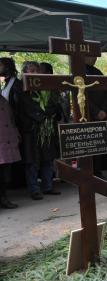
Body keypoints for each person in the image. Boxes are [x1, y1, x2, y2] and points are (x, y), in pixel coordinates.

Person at [20, 61, 61, 200]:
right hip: (31, 130)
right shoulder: (22, 88)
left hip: (47, 128)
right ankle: (34, 189)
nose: (34, 73)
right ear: (25, 72)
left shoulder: (47, 87)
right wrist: (42, 115)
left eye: (36, 70)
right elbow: (26, 108)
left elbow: (54, 105)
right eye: (31, 70)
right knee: (32, 161)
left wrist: (47, 114)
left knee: (48, 158)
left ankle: (48, 186)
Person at [85, 56, 107, 182]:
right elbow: (81, 96)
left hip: (101, 114)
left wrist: (104, 110)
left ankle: (98, 172)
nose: (94, 59)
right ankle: (88, 173)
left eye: (95, 57)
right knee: (89, 146)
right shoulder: (78, 71)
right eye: (91, 57)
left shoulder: (97, 73)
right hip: (87, 115)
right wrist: (96, 111)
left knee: (99, 145)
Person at [0, 57, 21, 209]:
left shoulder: (5, 96)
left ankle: (4, 199)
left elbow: (11, 118)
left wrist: (16, 133)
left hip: (6, 138)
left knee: (4, 173)